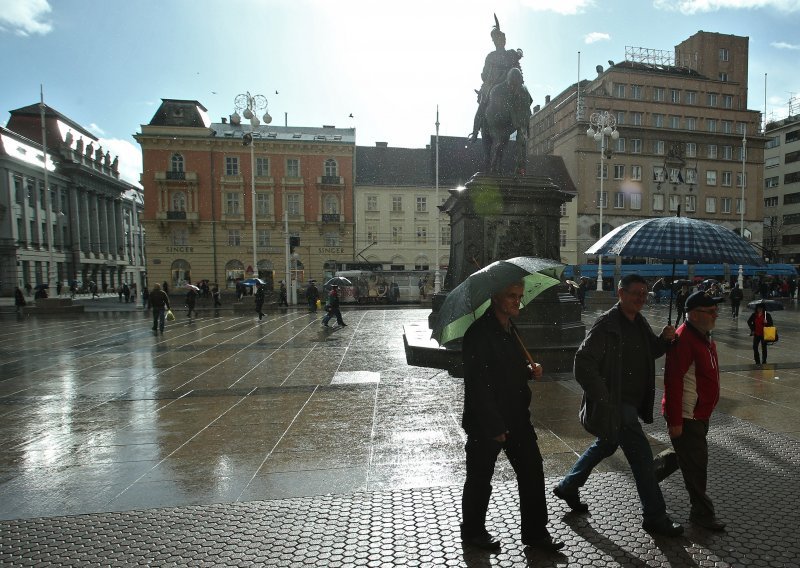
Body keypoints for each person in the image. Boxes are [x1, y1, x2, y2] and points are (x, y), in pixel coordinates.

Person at [552, 274, 683, 537]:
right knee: (643, 459)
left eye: (644, 294)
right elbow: (583, 362)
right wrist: (605, 396)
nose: (641, 298)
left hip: (630, 402)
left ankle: (569, 485)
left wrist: (665, 340)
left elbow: (651, 351)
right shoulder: (607, 324)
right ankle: (655, 516)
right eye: (636, 293)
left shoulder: (638, 322)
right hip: (617, 404)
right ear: (621, 293)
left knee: (607, 443)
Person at [459, 281, 562, 553]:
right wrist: (494, 425)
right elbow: (478, 384)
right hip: (487, 422)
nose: (518, 301)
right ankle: (472, 532)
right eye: (511, 296)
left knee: (532, 472)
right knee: (480, 479)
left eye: (519, 296)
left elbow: (507, 370)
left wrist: (530, 370)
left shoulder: (511, 329)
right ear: (495, 298)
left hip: (517, 417)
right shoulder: (479, 333)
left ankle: (536, 533)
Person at [661, 291, 726, 531]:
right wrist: (675, 420)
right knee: (697, 466)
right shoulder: (684, 339)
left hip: (699, 413)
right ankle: (702, 514)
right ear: (695, 314)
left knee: (686, 456)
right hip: (688, 415)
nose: (716, 314)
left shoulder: (703, 337)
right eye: (711, 311)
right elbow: (673, 381)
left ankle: (647, 477)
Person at [469, 16, 525, 142]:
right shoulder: (499, 55)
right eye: (497, 39)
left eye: (500, 39)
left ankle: (474, 133)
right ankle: (475, 131)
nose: (499, 41)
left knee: (524, 97)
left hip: (509, 85)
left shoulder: (506, 55)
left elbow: (484, 75)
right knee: (483, 102)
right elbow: (484, 76)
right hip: (496, 85)